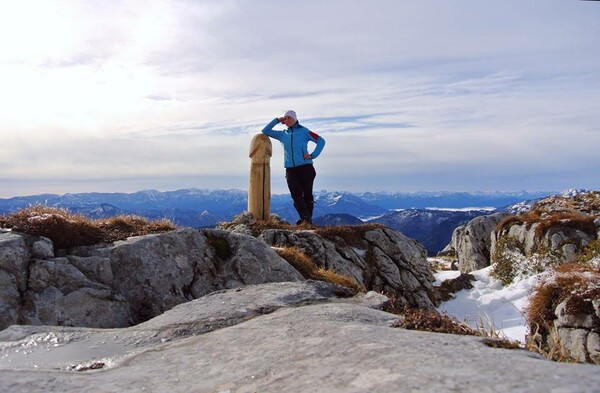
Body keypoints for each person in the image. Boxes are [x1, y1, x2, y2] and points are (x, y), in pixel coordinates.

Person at [262, 110, 325, 225]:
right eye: (285, 118)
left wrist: (312, 155)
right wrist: (277, 120)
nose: (286, 120)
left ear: (294, 119)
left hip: (306, 168)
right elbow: (265, 131)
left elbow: (321, 141)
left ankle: (306, 221)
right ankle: (306, 219)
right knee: (295, 195)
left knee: (307, 194)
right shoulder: (282, 134)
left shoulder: (304, 131)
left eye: (289, 117)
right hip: (291, 169)